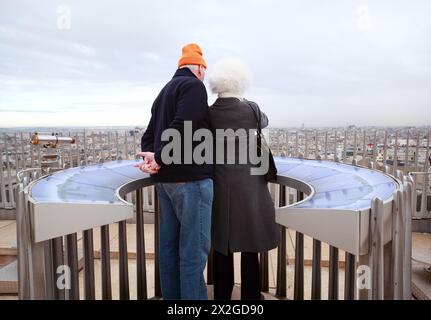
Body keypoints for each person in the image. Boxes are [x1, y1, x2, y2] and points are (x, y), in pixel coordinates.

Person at [135, 43, 213, 300]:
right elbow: (185, 125)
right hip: (190, 179)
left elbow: (149, 134)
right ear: (199, 67)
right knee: (192, 252)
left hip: (165, 181)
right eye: (204, 69)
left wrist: (153, 159)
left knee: (169, 249)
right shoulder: (193, 87)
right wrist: (159, 157)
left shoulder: (164, 91)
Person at [207, 59, 280, 300]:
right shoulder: (251, 109)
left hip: (219, 185)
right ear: (240, 82)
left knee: (222, 247)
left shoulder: (209, 113)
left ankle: (222, 298)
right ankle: (250, 297)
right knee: (250, 245)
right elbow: (264, 122)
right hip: (250, 187)